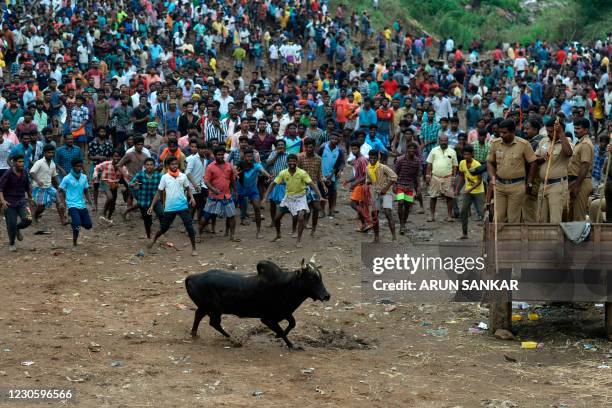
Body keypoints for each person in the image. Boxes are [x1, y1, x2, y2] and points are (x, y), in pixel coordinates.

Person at [265, 153, 323, 248]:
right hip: (288, 197)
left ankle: (298, 240)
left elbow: (312, 184)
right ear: (287, 162)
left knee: (300, 217)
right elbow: (273, 184)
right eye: (290, 161)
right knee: (276, 218)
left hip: (300, 198)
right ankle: (278, 234)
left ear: (297, 162)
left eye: (294, 161)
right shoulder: (283, 172)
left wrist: (319, 196)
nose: (292, 163)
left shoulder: (302, 173)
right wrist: (265, 196)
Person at [486, 120, 537, 223]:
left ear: (513, 131)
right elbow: (490, 162)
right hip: (499, 185)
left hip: (517, 186)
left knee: (513, 218)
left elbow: (533, 162)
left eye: (505, 133)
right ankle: (500, 239)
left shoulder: (524, 144)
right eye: (500, 132)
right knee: (498, 218)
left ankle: (512, 239)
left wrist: (529, 182)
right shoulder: (495, 143)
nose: (502, 135)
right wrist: (492, 178)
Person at [147, 156, 197, 256]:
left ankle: (194, 248)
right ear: (168, 166)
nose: (174, 166)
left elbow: (187, 188)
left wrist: (192, 198)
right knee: (164, 228)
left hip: (183, 206)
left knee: (190, 228)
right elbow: (158, 192)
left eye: (176, 164)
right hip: (170, 207)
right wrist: (152, 206)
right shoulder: (164, 177)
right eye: (172, 164)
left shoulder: (183, 176)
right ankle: (154, 239)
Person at [534, 121, 573, 223]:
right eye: (547, 131)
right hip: (543, 185)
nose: (548, 133)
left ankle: (556, 239)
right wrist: (543, 158)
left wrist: (560, 134)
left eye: (551, 131)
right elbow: (535, 158)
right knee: (541, 219)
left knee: (555, 221)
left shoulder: (566, 140)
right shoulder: (543, 141)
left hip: (557, 186)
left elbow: (569, 153)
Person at [200, 147, 239, 242]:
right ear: (214, 155)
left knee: (232, 215)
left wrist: (236, 191)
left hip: (227, 195)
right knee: (206, 216)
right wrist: (213, 189)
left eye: (222, 154)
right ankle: (199, 234)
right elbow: (206, 181)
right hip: (214, 196)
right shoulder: (210, 167)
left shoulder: (229, 166)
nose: (220, 156)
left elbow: (232, 180)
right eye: (218, 154)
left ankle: (232, 236)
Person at [0, 154, 33, 251]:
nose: (22, 164)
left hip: (22, 201)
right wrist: (2, 201)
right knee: (11, 224)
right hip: (9, 202)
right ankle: (12, 243)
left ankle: (17, 228)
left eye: (23, 161)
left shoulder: (25, 173)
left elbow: (27, 187)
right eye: (19, 162)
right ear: (14, 163)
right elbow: (0, 188)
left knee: (28, 219)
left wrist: (31, 199)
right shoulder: (8, 174)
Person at [236, 148, 272, 238]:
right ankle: (241, 220)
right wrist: (235, 173)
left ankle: (258, 232)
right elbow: (233, 171)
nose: (249, 158)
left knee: (257, 207)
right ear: (244, 157)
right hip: (241, 189)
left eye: (251, 156)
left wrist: (269, 176)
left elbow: (263, 171)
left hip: (252, 190)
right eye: (247, 156)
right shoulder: (239, 165)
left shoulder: (256, 165)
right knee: (242, 209)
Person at [58, 158, 94, 249]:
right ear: (73, 167)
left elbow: (86, 191)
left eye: (81, 166)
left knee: (88, 225)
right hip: (71, 204)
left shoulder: (84, 177)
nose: (80, 168)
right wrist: (62, 202)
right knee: (77, 224)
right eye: (77, 166)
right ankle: (74, 242)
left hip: (82, 204)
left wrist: (91, 203)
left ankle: (73, 221)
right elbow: (60, 191)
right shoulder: (67, 178)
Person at [365, 150, 397, 243]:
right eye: (370, 158)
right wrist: (367, 185)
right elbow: (368, 180)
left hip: (386, 193)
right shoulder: (368, 168)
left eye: (374, 158)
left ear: (377, 158)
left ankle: (394, 236)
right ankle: (376, 237)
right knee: (374, 214)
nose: (372, 160)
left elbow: (394, 177)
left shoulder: (383, 167)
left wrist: (385, 188)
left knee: (388, 213)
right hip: (375, 193)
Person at [29, 144, 65, 226]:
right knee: (41, 206)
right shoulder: (39, 162)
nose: (51, 154)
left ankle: (63, 220)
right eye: (49, 153)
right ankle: (35, 216)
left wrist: (60, 184)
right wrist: (38, 181)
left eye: (52, 153)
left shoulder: (52, 163)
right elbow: (31, 172)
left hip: (49, 187)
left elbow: (54, 175)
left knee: (59, 199)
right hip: (39, 188)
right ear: (44, 153)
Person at [567, 118, 595, 221]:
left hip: (581, 182)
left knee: (578, 216)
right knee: (572, 215)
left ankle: (581, 237)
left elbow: (585, 165)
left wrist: (577, 186)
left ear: (586, 130)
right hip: (575, 181)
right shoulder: (580, 142)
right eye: (575, 128)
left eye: (578, 128)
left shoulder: (585, 144)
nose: (575, 131)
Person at [425, 135, 458, 222]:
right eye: (442, 140)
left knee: (449, 197)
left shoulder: (452, 151)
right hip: (435, 177)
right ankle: (432, 216)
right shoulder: (434, 150)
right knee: (433, 196)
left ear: (448, 141)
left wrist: (454, 177)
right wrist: (427, 175)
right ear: (439, 141)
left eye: (445, 140)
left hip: (448, 177)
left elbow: (455, 165)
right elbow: (429, 164)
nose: (444, 142)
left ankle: (449, 216)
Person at [129, 158, 163, 239]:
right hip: (143, 201)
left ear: (154, 166)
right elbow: (130, 183)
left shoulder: (158, 175)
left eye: (151, 165)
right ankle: (148, 236)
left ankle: (161, 232)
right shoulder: (140, 174)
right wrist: (134, 184)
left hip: (155, 200)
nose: (149, 166)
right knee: (147, 220)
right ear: (144, 166)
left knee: (162, 215)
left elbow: (166, 182)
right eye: (147, 165)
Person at [298, 138, 325, 235]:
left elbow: (319, 174)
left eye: (311, 147)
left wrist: (323, 183)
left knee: (316, 208)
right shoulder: (299, 157)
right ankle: (302, 225)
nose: (309, 149)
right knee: (304, 208)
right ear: (304, 147)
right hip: (302, 185)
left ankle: (313, 229)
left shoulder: (318, 159)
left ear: (315, 147)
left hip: (314, 185)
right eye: (307, 147)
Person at [457, 145, 485, 239]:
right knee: (463, 211)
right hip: (468, 191)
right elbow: (461, 177)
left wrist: (470, 189)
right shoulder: (462, 163)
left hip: (478, 191)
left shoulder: (477, 164)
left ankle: (488, 233)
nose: (466, 156)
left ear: (472, 154)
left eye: (468, 154)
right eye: (464, 154)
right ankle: (464, 233)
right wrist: (457, 189)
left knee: (482, 212)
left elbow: (479, 180)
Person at [394, 143, 421, 235]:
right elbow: (395, 173)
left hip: (410, 185)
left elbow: (417, 176)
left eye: (414, 149)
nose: (412, 150)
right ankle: (401, 224)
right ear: (407, 149)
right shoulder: (400, 160)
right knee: (400, 202)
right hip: (400, 184)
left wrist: (419, 188)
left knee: (407, 206)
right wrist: (394, 185)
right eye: (410, 148)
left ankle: (403, 223)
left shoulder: (417, 161)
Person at [344, 141, 370, 232]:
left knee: (352, 203)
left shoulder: (362, 160)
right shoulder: (356, 160)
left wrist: (355, 183)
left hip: (362, 185)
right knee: (359, 205)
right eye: (352, 149)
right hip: (359, 184)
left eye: (355, 149)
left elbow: (366, 175)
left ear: (359, 149)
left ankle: (368, 221)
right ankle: (364, 225)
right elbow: (357, 175)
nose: (354, 151)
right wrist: (348, 181)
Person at [319, 133, 346, 218]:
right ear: (330, 138)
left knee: (332, 193)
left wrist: (331, 175)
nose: (334, 140)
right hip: (321, 174)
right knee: (322, 193)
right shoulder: (323, 148)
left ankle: (331, 210)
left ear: (338, 140)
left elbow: (338, 164)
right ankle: (322, 211)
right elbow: (318, 159)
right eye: (332, 138)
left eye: (336, 139)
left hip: (332, 176)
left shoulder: (339, 151)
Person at [93, 150, 122, 223]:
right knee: (110, 197)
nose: (117, 158)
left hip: (114, 184)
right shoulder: (106, 163)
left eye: (118, 156)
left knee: (113, 202)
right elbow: (97, 167)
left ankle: (108, 217)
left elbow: (126, 175)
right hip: (105, 182)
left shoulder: (122, 166)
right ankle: (104, 213)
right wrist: (95, 175)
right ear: (112, 157)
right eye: (115, 156)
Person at [185, 141, 208, 223]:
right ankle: (187, 226)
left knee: (202, 207)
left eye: (205, 148)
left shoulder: (205, 160)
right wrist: (195, 184)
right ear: (198, 149)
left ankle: (201, 226)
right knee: (192, 208)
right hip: (192, 187)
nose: (203, 150)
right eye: (201, 148)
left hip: (202, 186)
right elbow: (187, 172)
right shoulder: (193, 159)